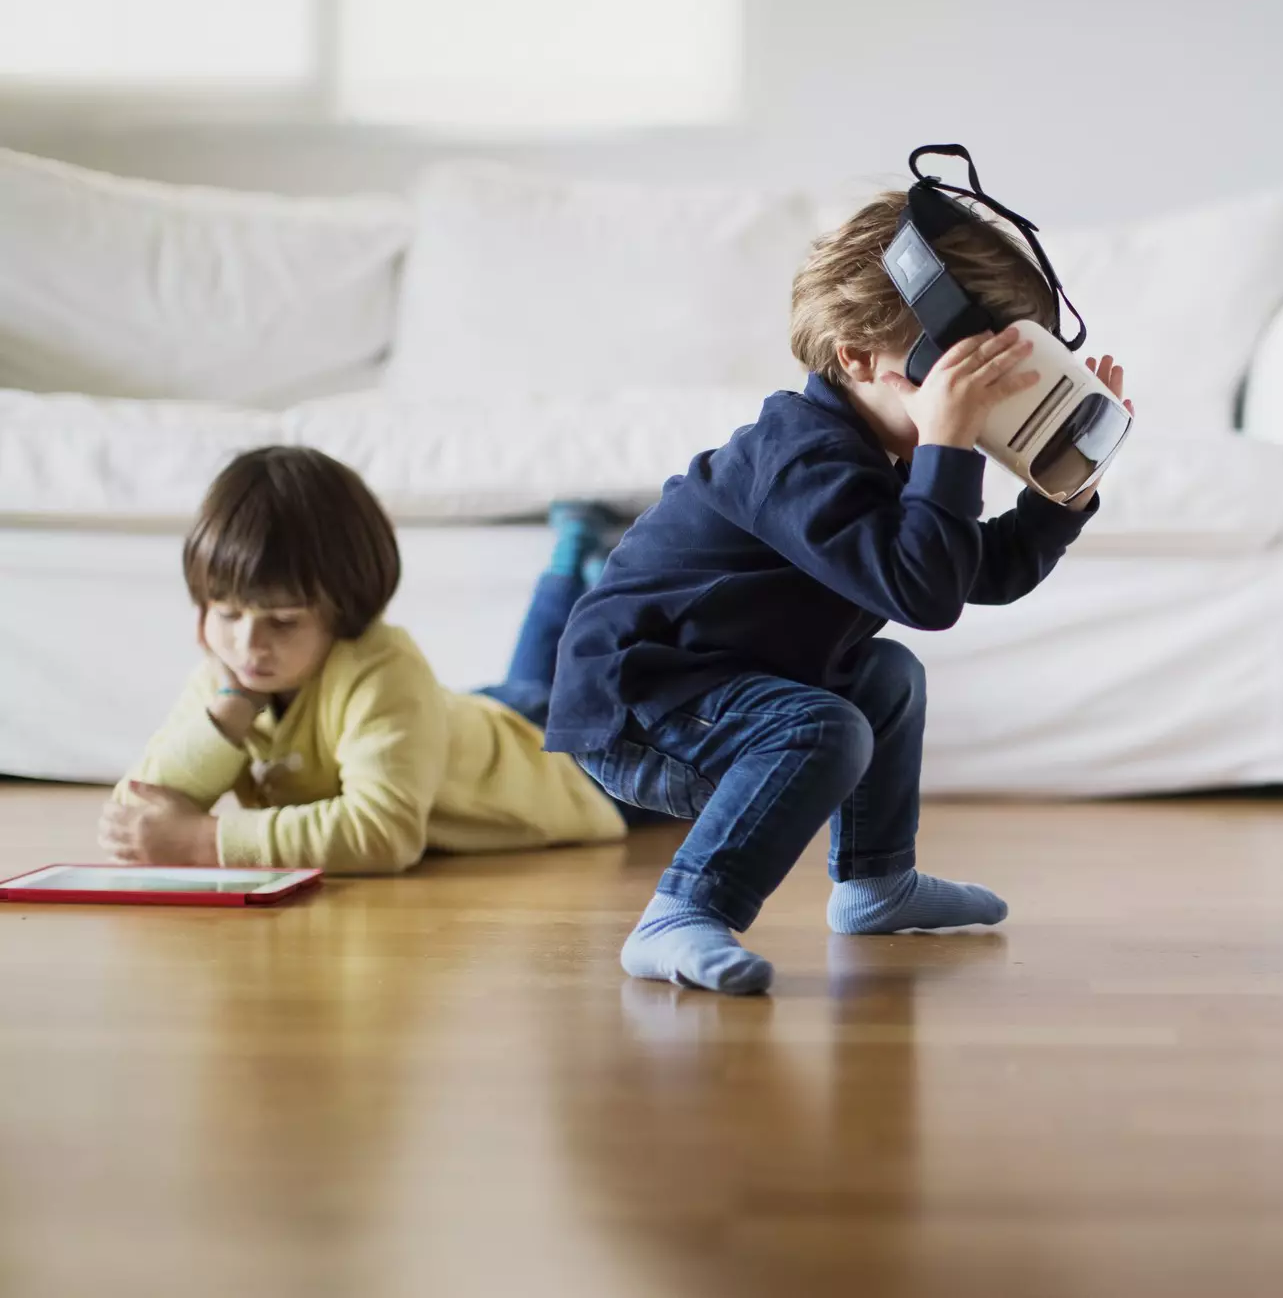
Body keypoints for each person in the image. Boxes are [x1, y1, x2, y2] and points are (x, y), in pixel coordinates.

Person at [545, 191, 1130, 996]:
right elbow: (923, 592)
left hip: (733, 678)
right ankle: (679, 914)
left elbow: (972, 573)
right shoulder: (799, 457)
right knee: (826, 727)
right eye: (959, 375)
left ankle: (875, 881)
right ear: (858, 358)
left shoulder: (885, 452)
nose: (983, 404)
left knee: (888, 676)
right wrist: (950, 445)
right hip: (645, 701)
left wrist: (1059, 495)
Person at [98, 447, 635, 872]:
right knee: (531, 680)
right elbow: (137, 815)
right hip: (448, 723)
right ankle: (573, 557)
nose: (249, 645)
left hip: (558, 769)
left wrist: (201, 841)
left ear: (345, 611)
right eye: (227, 614)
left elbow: (383, 834)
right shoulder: (229, 678)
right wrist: (226, 716)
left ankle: (594, 576)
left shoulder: (383, 668)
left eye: (283, 621)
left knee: (609, 692)